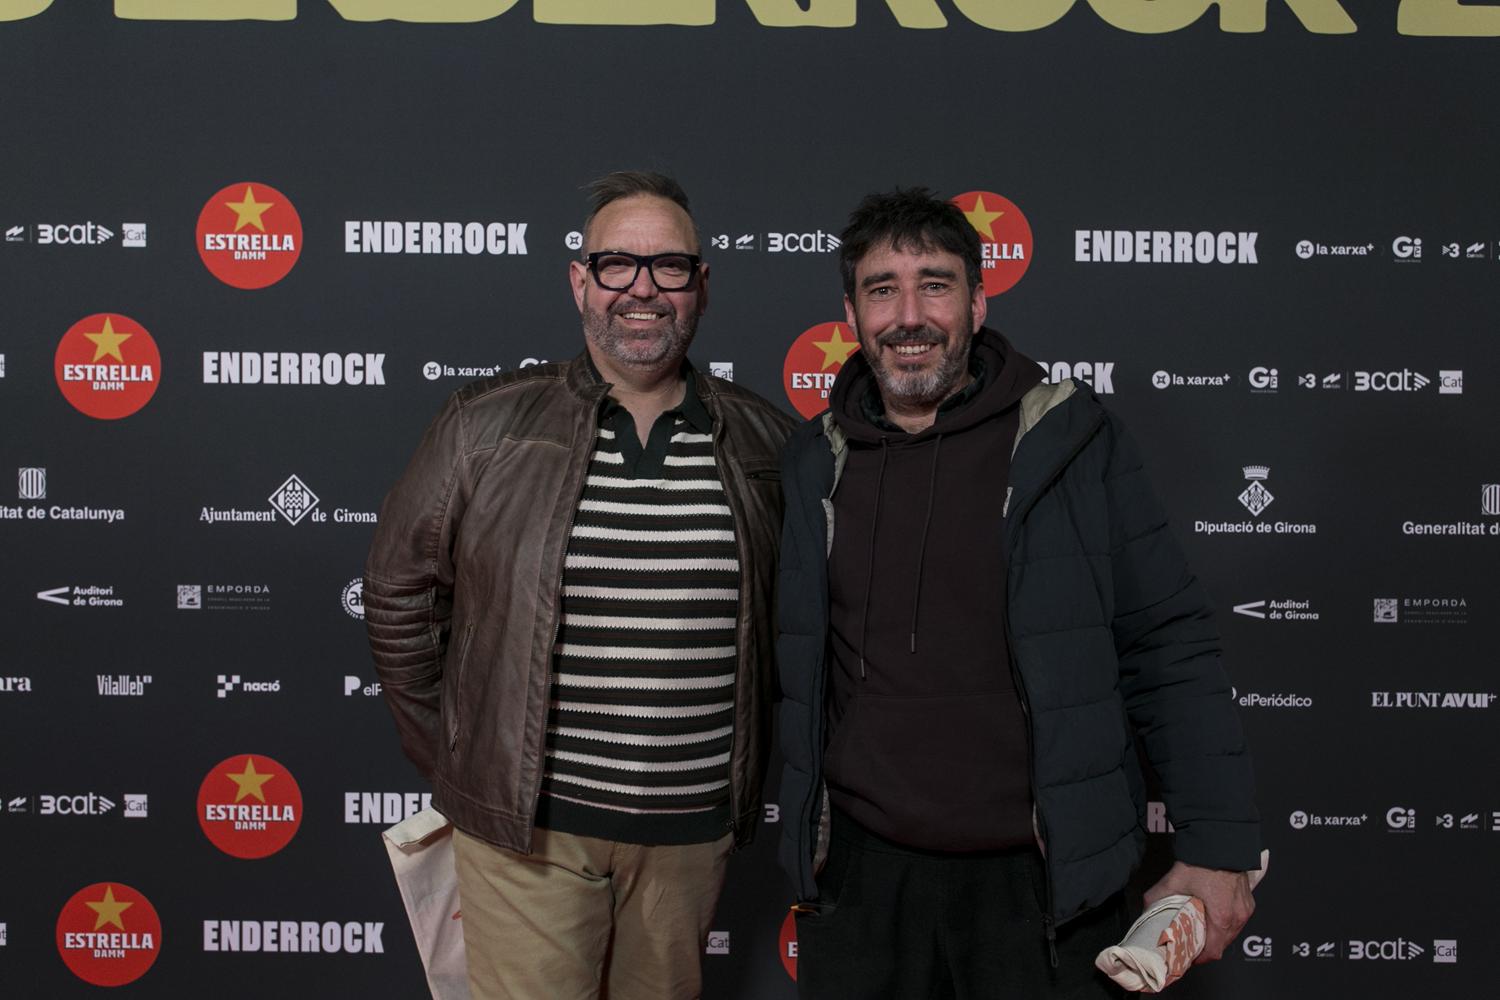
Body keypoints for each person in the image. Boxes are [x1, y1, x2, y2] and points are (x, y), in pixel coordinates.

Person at [774, 188, 1261, 999]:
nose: (909, 316)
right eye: (882, 289)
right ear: (851, 314)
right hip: (861, 885)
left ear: (978, 300)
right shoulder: (811, 461)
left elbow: (1168, 644)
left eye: (935, 284)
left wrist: (1217, 845)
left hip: (1043, 887)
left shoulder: (1072, 441)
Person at [364, 171, 794, 1000]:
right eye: (616, 264)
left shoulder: (767, 442)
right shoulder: (484, 426)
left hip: (688, 840)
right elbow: (398, 592)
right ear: (579, 281)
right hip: (529, 837)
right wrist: (463, 756)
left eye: (669, 266)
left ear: (701, 285)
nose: (643, 289)